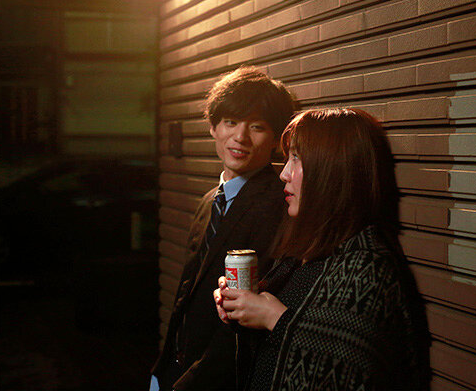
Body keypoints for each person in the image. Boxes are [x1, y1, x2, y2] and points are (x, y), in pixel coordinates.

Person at [214, 108, 431, 390]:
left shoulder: (367, 267)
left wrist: (272, 317)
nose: (284, 174)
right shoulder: (305, 250)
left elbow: (352, 369)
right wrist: (242, 309)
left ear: (333, 171)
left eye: (296, 158)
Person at [151, 66, 296, 391]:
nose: (240, 137)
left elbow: (241, 324)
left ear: (276, 139)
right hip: (176, 368)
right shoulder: (209, 201)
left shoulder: (278, 205)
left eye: (257, 127)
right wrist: (162, 371)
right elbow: (187, 295)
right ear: (213, 127)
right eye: (231, 122)